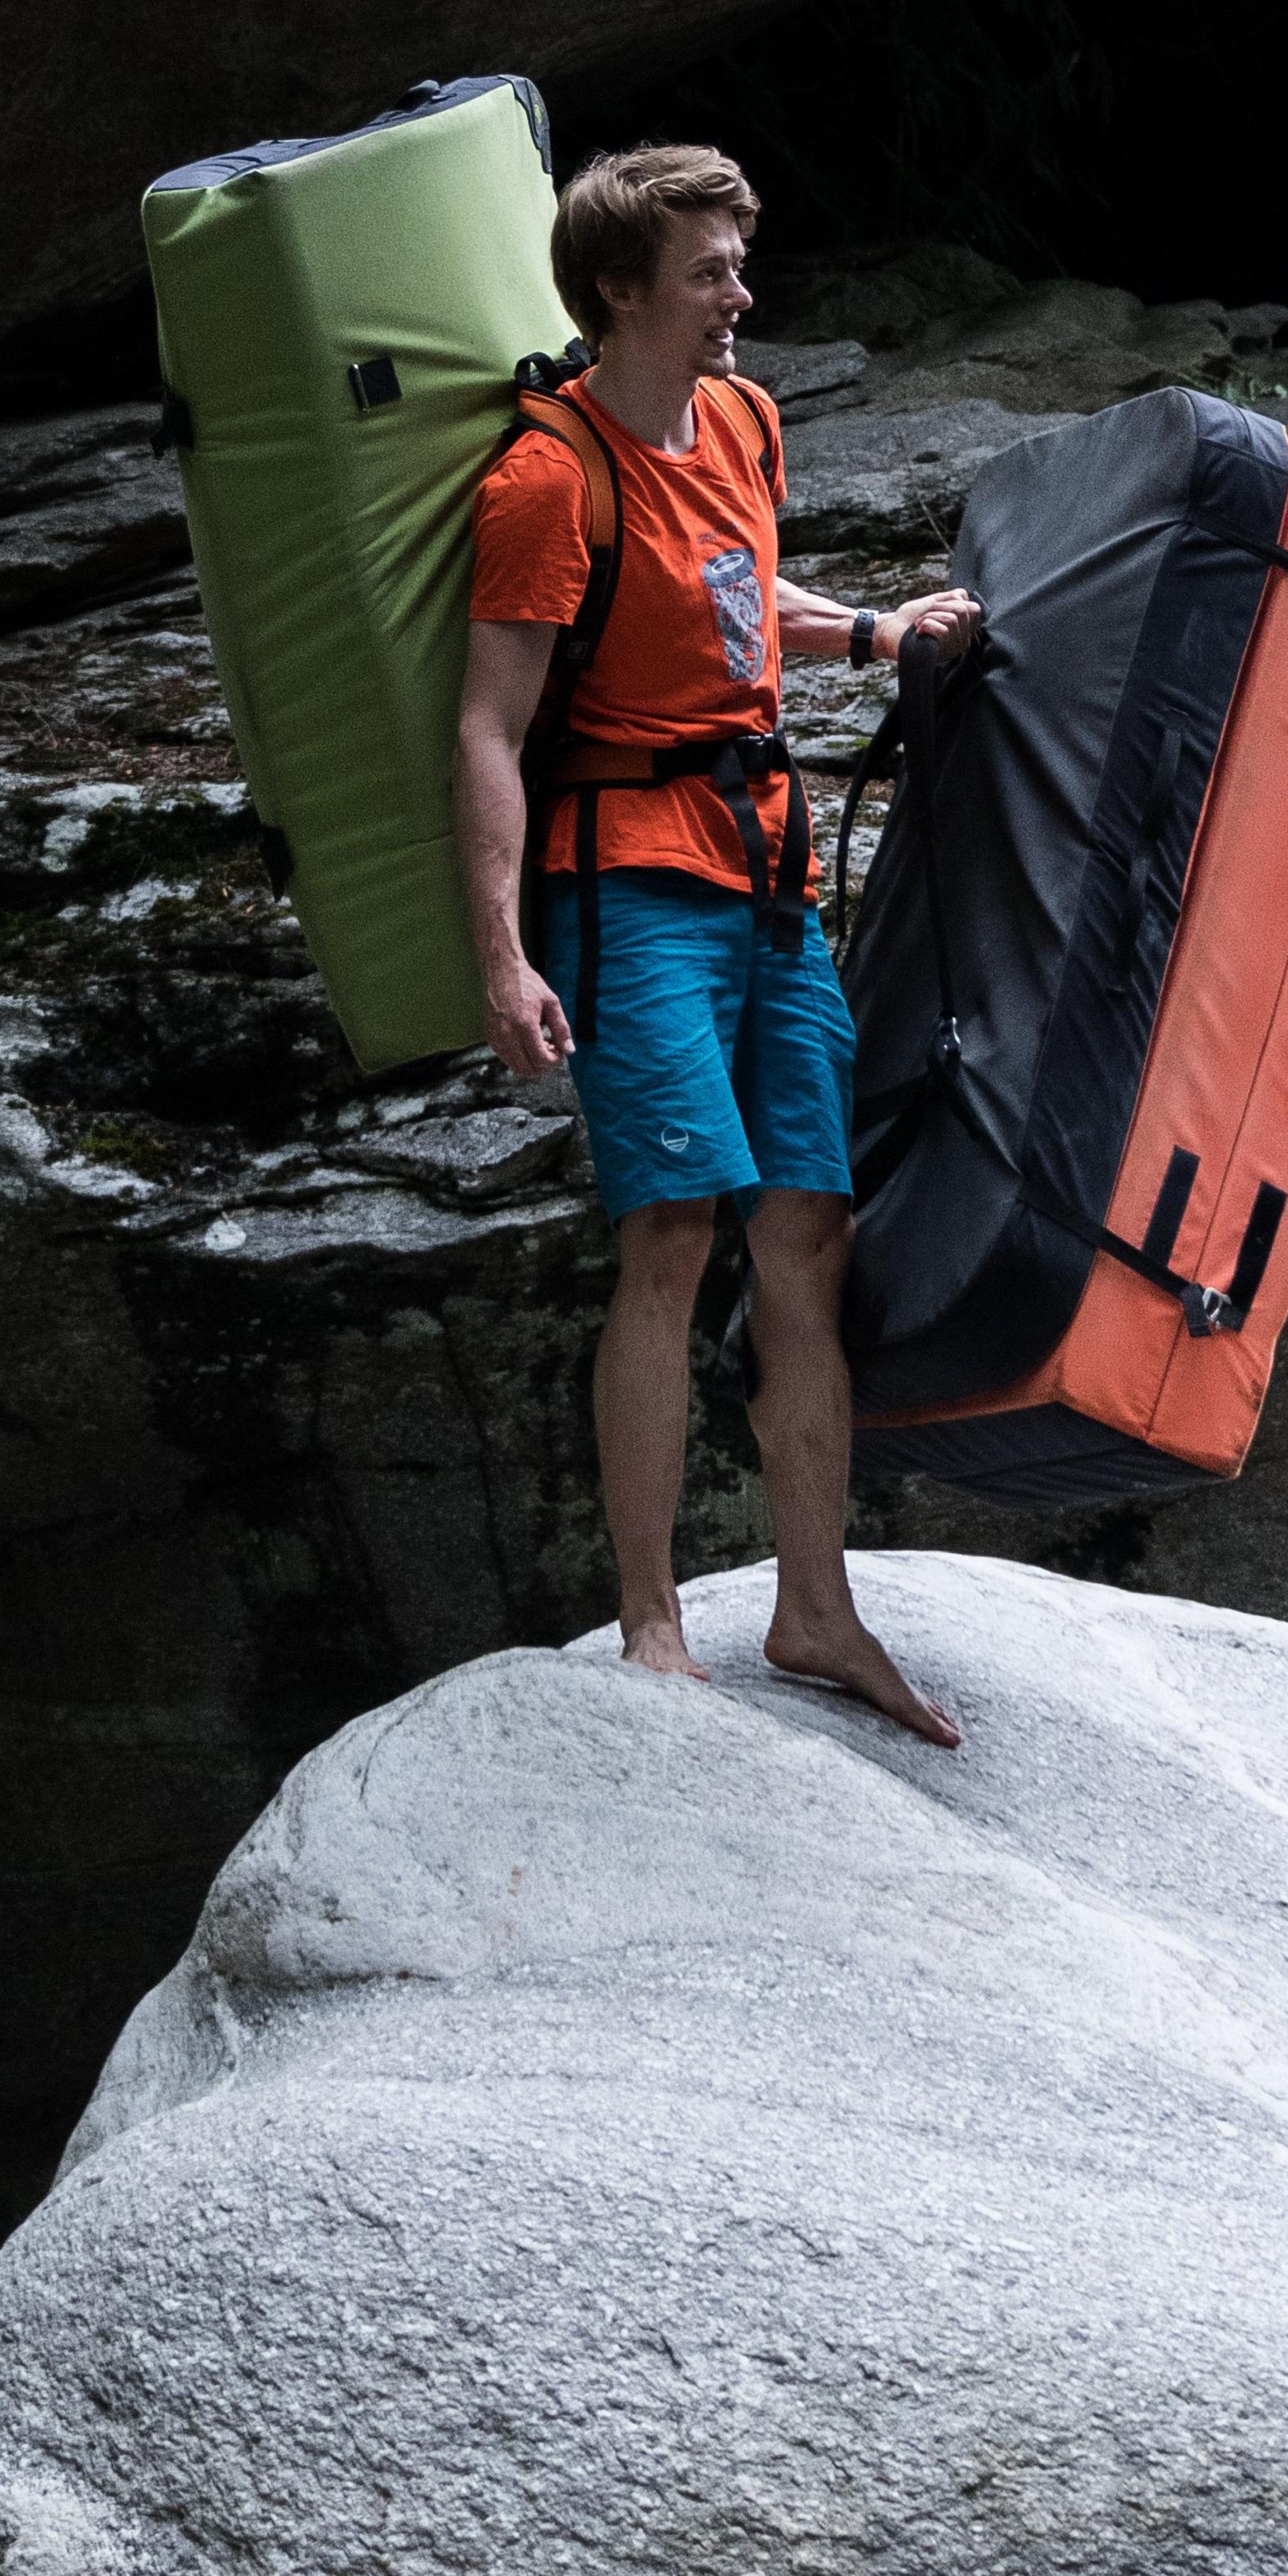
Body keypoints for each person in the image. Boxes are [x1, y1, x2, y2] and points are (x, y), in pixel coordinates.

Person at [457, 138, 973, 1746]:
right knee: (671, 1237)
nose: (742, 291)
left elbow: (741, 595)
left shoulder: (743, 420)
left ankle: (815, 1609)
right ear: (621, 291)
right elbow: (488, 724)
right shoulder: (547, 476)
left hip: (767, 882)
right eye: (711, 269)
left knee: (806, 1236)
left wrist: (873, 629)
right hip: (628, 892)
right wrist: (503, 955)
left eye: (742, 261)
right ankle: (655, 1621)